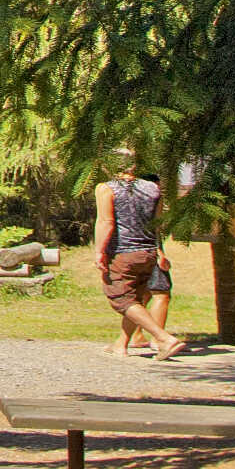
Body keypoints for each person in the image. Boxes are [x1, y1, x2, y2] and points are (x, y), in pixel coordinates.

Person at [95, 144, 186, 357]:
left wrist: (99, 251)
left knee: (121, 299)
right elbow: (157, 224)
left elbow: (106, 222)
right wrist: (158, 251)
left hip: (122, 253)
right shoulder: (153, 188)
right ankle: (121, 344)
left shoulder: (106, 188)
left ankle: (164, 339)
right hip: (148, 253)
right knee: (135, 299)